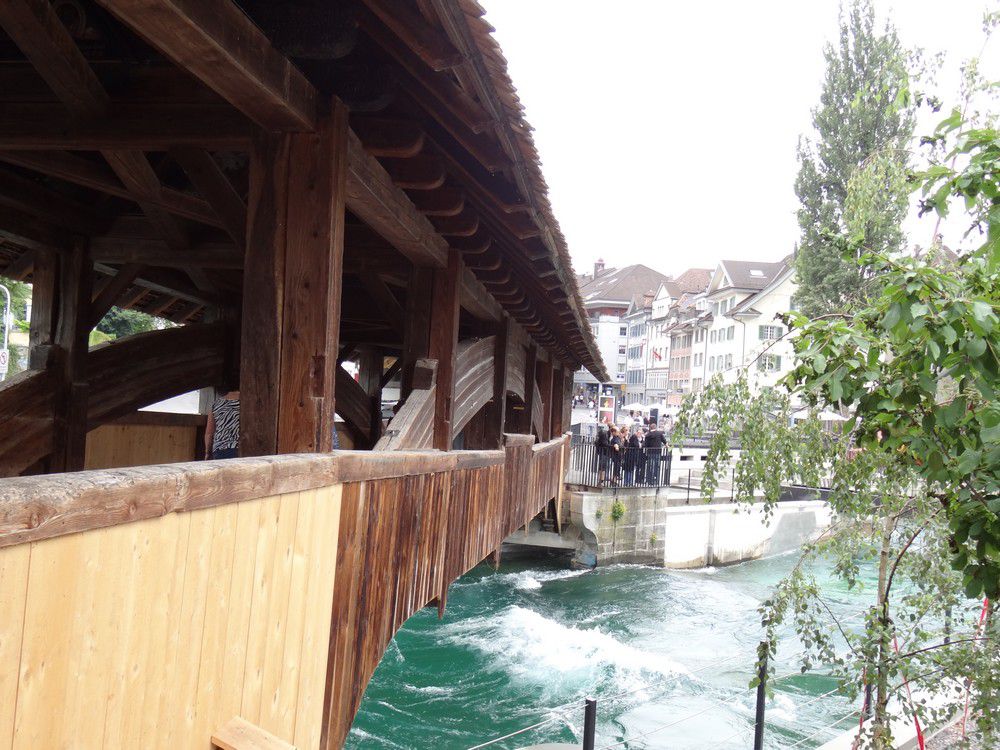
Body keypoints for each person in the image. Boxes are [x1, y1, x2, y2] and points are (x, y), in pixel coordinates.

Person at [205, 382, 240, 460]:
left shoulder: (216, 404)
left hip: (220, 450)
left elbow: (209, 433)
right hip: (242, 449)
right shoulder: (249, 402)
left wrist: (207, 452)